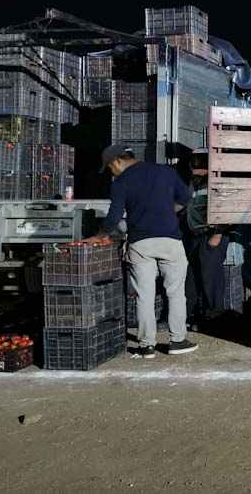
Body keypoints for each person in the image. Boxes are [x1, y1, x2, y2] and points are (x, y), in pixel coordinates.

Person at [90, 144, 197, 359]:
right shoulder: (166, 172)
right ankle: (177, 341)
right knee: (175, 292)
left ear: (117, 161)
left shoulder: (121, 182)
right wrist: (168, 211)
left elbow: (114, 217)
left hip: (141, 244)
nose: (112, 172)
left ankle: (147, 345)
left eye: (110, 168)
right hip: (170, 240)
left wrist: (98, 236)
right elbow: (185, 198)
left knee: (144, 295)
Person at [183, 149, 230, 327]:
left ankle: (215, 313)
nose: (193, 169)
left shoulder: (217, 183)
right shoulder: (194, 184)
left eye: (198, 164)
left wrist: (218, 234)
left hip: (211, 235)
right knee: (192, 276)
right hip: (194, 235)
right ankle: (193, 313)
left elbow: (228, 209)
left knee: (211, 276)